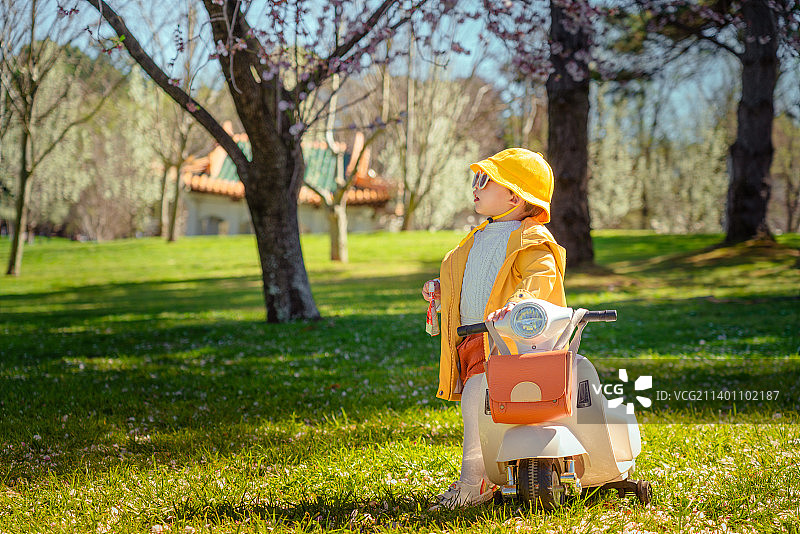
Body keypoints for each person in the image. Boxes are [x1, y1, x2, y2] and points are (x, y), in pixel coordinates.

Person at [422, 148, 567, 509]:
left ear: (514, 196)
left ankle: (474, 481)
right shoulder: (477, 238)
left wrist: (520, 303)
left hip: (509, 343)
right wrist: (443, 291)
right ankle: (488, 474)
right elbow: (471, 280)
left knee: (476, 402)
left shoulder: (530, 239)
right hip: (473, 340)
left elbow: (541, 277)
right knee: (479, 407)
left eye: (486, 180)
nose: (475, 186)